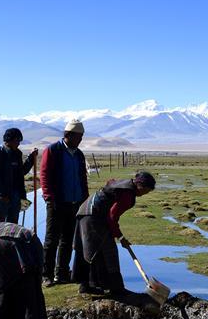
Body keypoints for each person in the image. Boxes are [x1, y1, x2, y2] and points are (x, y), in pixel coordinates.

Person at [72, 172, 156, 301]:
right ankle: (115, 288)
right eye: (146, 190)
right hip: (92, 215)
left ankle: (93, 285)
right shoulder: (127, 194)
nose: (145, 194)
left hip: (89, 211)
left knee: (95, 250)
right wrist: (120, 237)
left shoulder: (126, 186)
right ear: (140, 185)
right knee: (104, 251)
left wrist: (118, 235)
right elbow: (112, 217)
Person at [39, 120, 89, 286]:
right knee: (51, 239)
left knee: (67, 240)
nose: (80, 139)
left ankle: (61, 273)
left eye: (82, 136)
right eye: (78, 136)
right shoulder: (53, 150)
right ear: (68, 135)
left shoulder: (79, 154)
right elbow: (44, 175)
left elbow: (82, 178)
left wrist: (85, 199)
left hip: (75, 203)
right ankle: (45, 274)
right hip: (56, 202)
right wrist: (48, 197)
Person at [0, 128, 38, 224]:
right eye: (17, 140)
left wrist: (31, 158)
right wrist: (1, 195)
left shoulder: (17, 153)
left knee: (12, 224)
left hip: (15, 194)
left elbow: (21, 172)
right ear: (9, 140)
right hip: (2, 196)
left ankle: (11, 239)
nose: (19, 143)